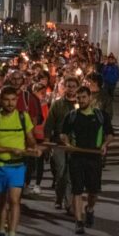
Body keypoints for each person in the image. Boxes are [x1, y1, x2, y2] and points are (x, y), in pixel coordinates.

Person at [0, 86, 40, 236]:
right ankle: (1, 233)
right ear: (1, 101)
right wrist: (9, 150)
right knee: (0, 203)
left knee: (14, 200)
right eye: (7, 100)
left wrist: (34, 148)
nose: (10, 103)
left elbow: (30, 139)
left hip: (18, 166)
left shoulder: (23, 117)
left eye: (13, 100)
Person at [60, 86, 114, 234]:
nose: (81, 100)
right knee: (77, 190)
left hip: (94, 157)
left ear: (90, 98)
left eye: (84, 97)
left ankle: (89, 209)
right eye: (79, 98)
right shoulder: (71, 116)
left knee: (93, 192)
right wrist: (67, 144)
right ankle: (78, 221)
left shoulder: (101, 115)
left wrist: (104, 145)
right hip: (76, 158)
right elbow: (63, 134)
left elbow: (110, 134)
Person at [44, 76, 79, 211]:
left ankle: (68, 202)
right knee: (61, 172)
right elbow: (49, 124)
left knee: (71, 174)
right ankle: (59, 197)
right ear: (64, 87)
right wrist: (47, 141)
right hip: (58, 144)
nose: (70, 89)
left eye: (73, 86)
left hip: (75, 144)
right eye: (68, 86)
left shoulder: (80, 104)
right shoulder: (57, 104)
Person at [25, 82, 49, 195]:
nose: (43, 95)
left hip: (41, 136)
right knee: (29, 162)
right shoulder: (31, 104)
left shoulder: (45, 105)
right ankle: (26, 184)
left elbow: (47, 119)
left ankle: (37, 184)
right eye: (41, 93)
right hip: (31, 136)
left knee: (39, 161)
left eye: (44, 93)